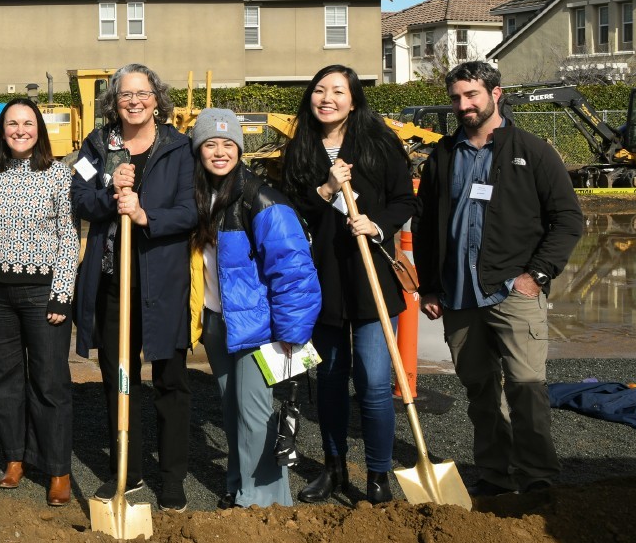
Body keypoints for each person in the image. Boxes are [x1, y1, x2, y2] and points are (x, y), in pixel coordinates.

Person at [416, 61, 584, 496]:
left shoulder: (532, 151)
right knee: (481, 392)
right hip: (459, 297)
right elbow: (426, 225)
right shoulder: (444, 155)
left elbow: (566, 220)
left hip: (513, 293)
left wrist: (537, 276)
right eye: (456, 97)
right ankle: (495, 474)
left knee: (526, 390)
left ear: (496, 94)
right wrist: (430, 285)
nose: (463, 104)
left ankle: (536, 478)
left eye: (471, 95)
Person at [282, 65, 418, 504]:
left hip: (370, 279)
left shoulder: (379, 144)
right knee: (330, 378)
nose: (327, 98)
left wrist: (377, 225)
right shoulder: (301, 150)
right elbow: (290, 212)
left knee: (376, 383)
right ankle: (334, 468)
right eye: (320, 90)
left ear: (354, 100)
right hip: (322, 282)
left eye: (338, 91)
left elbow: (405, 200)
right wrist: (325, 189)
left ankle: (378, 474)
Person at [71, 63, 197, 512]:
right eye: (125, 95)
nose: (134, 101)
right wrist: (110, 197)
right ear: (114, 101)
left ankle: (172, 478)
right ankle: (128, 468)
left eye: (142, 93)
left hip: (161, 284)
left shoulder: (179, 148)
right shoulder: (97, 145)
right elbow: (80, 198)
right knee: (118, 378)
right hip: (112, 283)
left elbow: (191, 211)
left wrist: (146, 216)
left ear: (157, 98)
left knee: (170, 381)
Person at [189, 109, 322, 508]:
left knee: (256, 415)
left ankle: (265, 503)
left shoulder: (260, 197)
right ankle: (239, 485)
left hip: (257, 326)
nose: (219, 152)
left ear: (239, 150)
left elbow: (294, 268)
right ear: (198, 150)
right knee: (232, 411)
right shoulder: (198, 196)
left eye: (227, 144)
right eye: (210, 144)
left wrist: (291, 332)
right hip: (217, 322)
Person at [0, 98, 77, 507]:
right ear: (2, 130)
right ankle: (15, 458)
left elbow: (69, 237)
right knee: (2, 379)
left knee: (50, 381)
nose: (20, 130)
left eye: (28, 123)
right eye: (13, 123)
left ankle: (57, 469)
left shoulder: (59, 176)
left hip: (43, 293)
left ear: (39, 130)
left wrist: (62, 293)